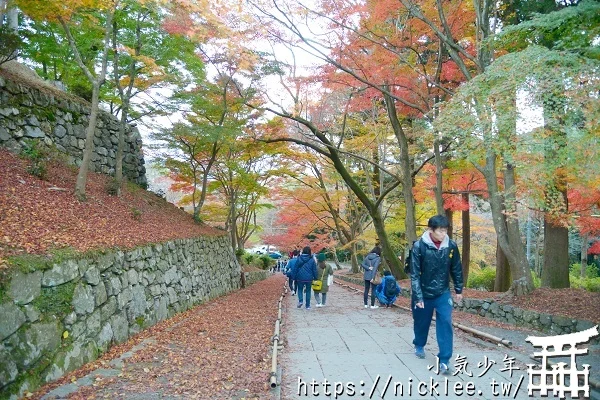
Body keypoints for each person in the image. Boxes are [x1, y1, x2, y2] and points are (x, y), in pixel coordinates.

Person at [409, 215, 464, 375]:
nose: (444, 233)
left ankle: (444, 360)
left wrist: (458, 289)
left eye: (445, 230)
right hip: (423, 293)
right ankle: (419, 344)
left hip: (442, 292)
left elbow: (456, 268)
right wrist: (418, 296)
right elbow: (415, 274)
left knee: (446, 322)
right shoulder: (419, 247)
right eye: (441, 230)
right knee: (421, 322)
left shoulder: (451, 246)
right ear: (431, 230)